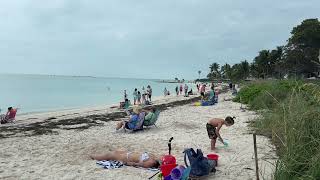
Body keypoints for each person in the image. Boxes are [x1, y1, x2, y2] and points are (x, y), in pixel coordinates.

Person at [90, 150, 161, 168]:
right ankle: (94, 155)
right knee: (115, 151)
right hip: (128, 153)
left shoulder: (151, 163)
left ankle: (92, 156)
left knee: (108, 155)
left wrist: (127, 163)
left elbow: (138, 164)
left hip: (126, 157)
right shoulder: (154, 157)